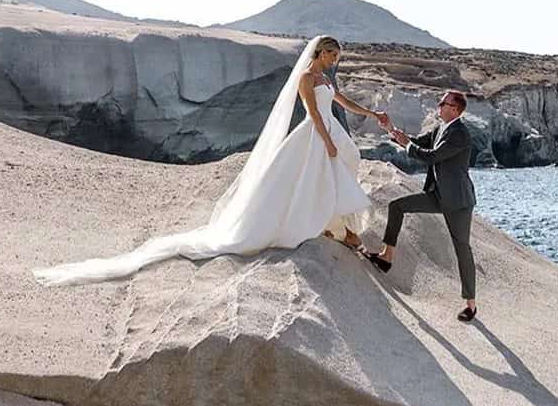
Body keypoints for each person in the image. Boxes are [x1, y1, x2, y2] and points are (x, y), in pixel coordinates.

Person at [32, 36, 391, 284]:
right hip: (316, 135)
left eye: (337, 58)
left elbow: (340, 103)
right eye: (333, 56)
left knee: (343, 168)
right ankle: (340, 230)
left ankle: (336, 225)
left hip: (329, 131)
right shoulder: (305, 77)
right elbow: (312, 113)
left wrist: (372, 114)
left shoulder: (325, 78)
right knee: (320, 176)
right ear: (321, 54)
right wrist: (326, 140)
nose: (335, 62)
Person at [365, 91, 478, 321]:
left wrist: (407, 144)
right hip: (437, 195)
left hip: (457, 202)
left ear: (455, 109)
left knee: (462, 249)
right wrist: (391, 130)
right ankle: (387, 257)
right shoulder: (440, 129)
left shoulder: (459, 134)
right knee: (397, 206)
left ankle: (471, 304)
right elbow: (415, 143)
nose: (439, 105)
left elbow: (431, 156)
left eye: (443, 103)